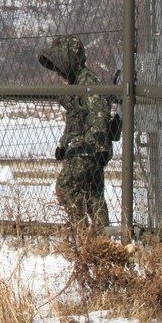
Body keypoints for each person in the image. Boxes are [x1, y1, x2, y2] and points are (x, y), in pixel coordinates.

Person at [39, 35, 113, 228]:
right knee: (93, 195)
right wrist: (63, 144)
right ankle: (101, 237)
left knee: (65, 187)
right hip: (85, 146)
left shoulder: (87, 81)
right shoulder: (74, 84)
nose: (58, 72)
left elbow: (100, 111)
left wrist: (101, 145)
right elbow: (74, 118)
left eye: (61, 66)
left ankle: (81, 232)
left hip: (89, 146)